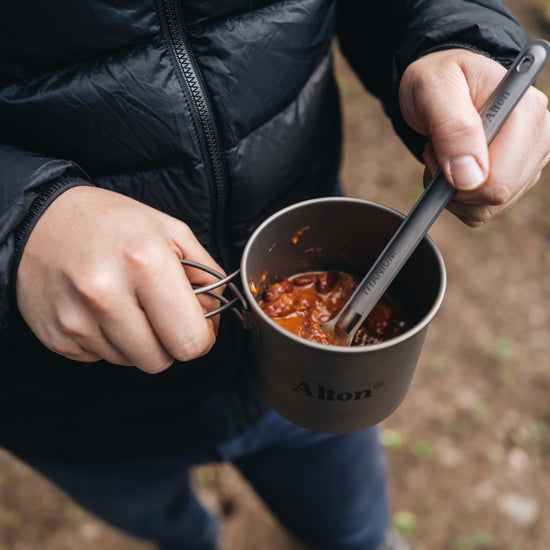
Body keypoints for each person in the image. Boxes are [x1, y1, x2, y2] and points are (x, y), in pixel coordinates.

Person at [1, 1, 549, 549]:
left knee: (353, 532)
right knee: (172, 531)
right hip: (73, 405)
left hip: (328, 390)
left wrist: (451, 35)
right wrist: (20, 217)